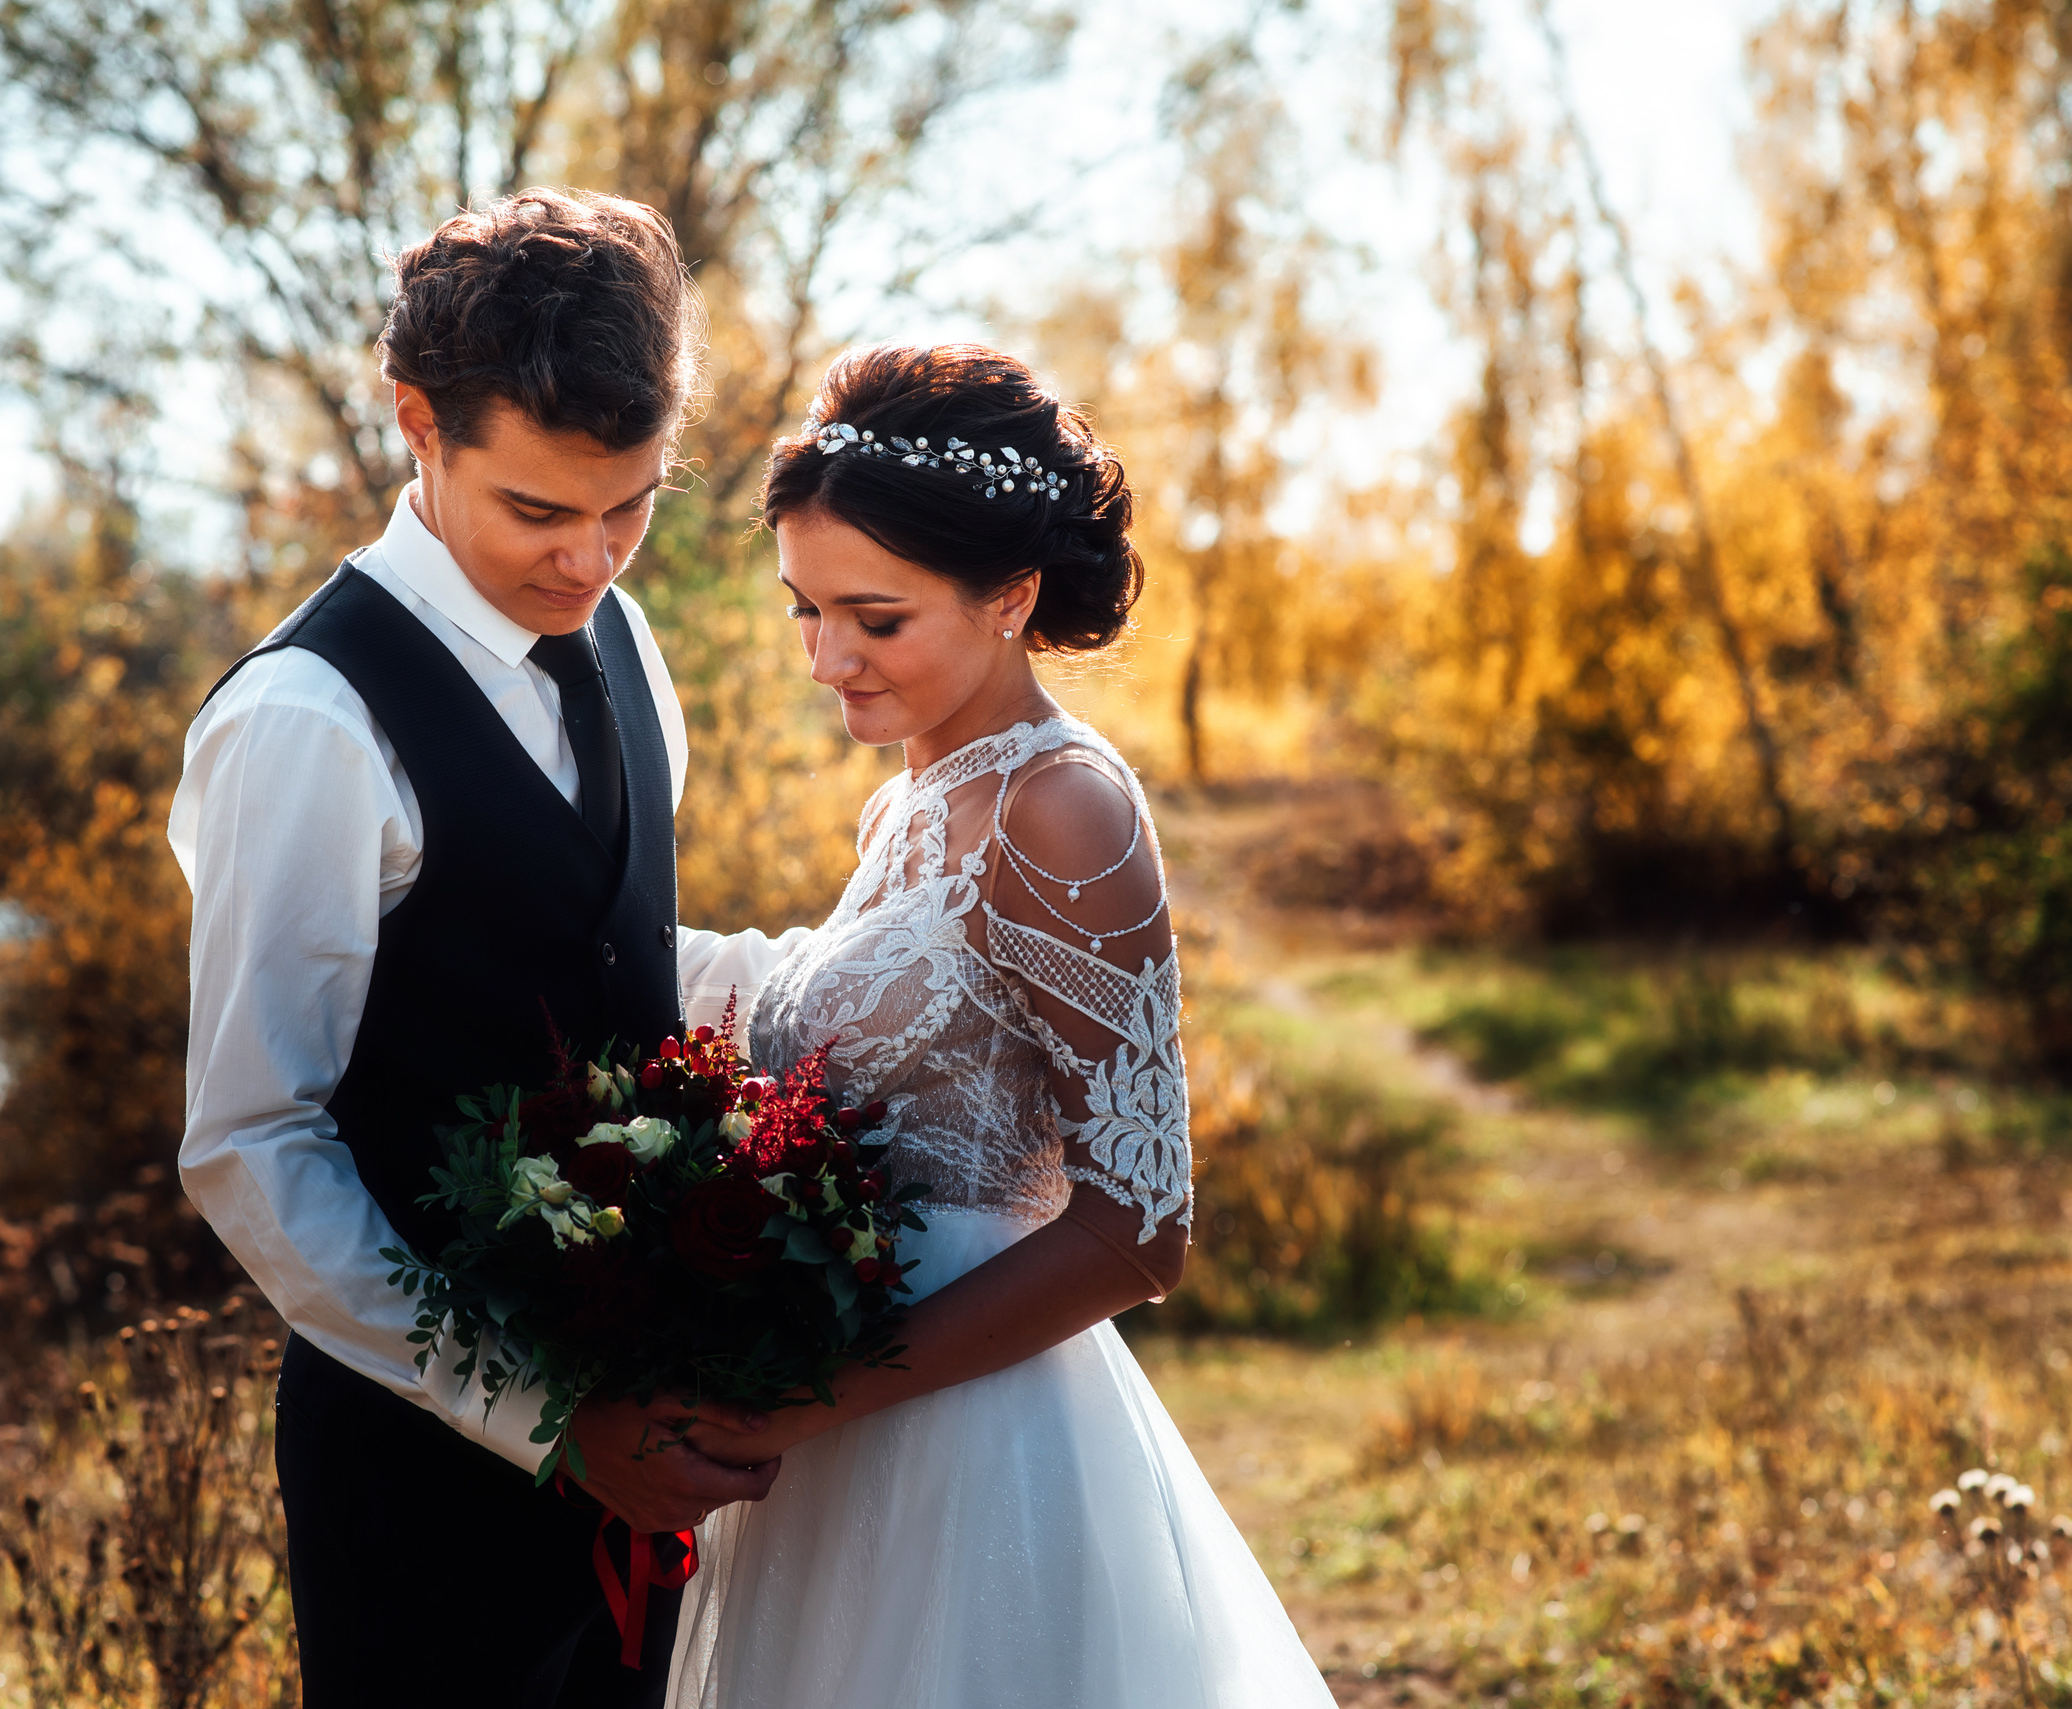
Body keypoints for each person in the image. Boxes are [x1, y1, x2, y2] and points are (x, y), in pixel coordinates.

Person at [169, 188, 781, 1709]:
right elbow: (254, 1142)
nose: (590, 562)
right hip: (418, 1478)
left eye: (629, 507)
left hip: (648, 1439)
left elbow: (599, 949)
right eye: (537, 512)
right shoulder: (305, 720)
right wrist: (547, 1416)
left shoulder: (623, 640)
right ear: (417, 425)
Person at [667, 344, 1338, 1708]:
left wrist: (815, 1395)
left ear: (1011, 598)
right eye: (806, 610)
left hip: (968, 1451)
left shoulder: (1062, 809)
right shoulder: (912, 799)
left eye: (875, 617)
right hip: (836, 1433)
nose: (827, 658)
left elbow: (1139, 1225)